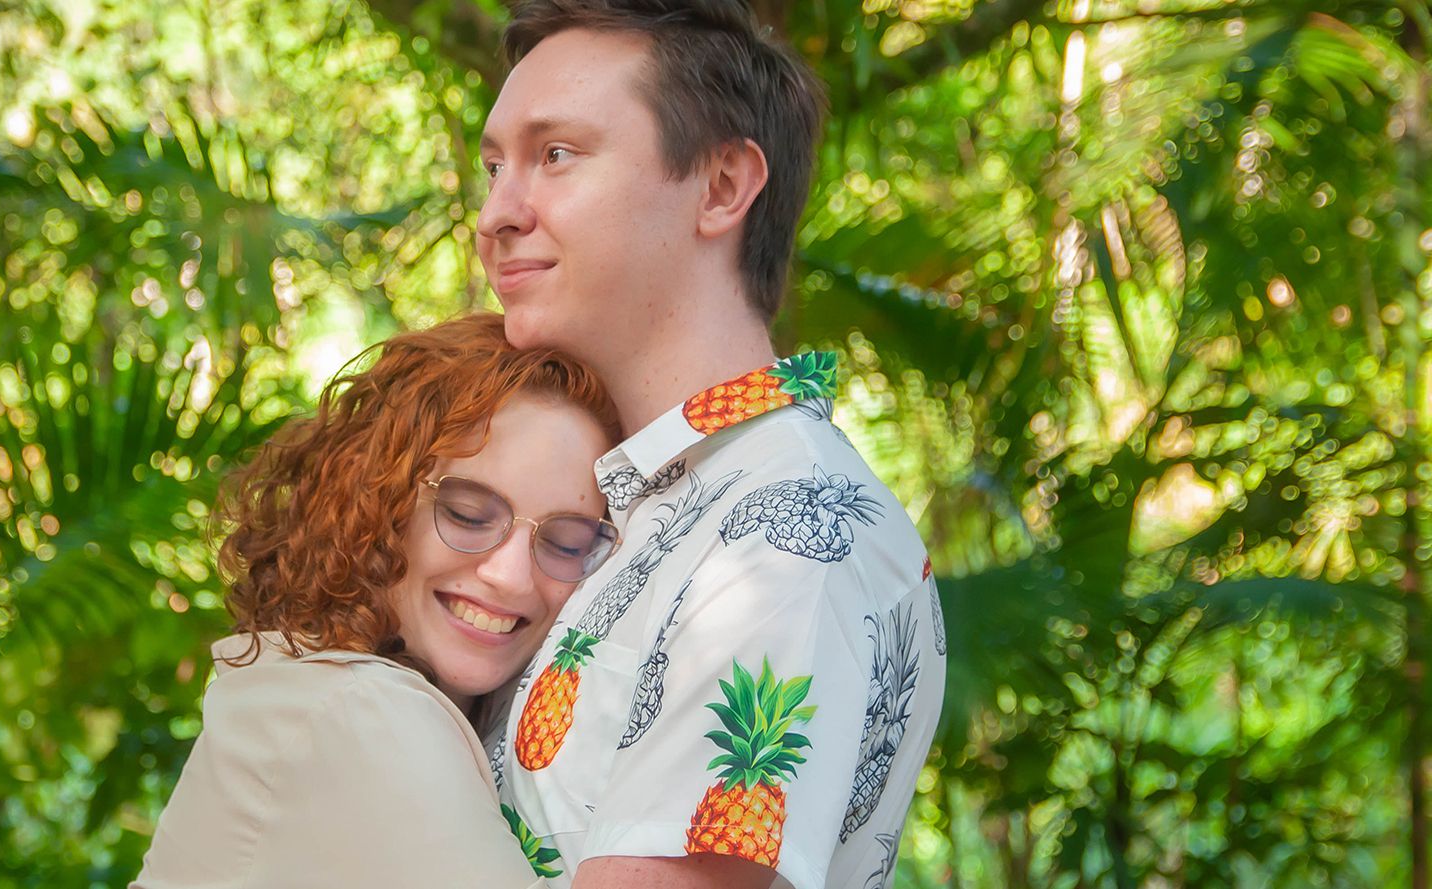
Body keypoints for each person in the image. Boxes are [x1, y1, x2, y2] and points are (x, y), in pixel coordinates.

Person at [473, 2, 947, 887]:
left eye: (556, 155)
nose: (496, 212)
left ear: (722, 186)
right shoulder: (632, 506)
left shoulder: (788, 536)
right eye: (494, 165)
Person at [130, 314, 622, 888]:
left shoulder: (318, 683)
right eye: (466, 514)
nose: (511, 577)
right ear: (378, 508)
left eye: (566, 542)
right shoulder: (364, 710)